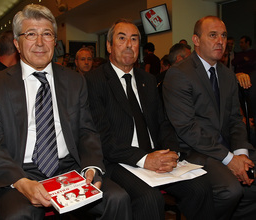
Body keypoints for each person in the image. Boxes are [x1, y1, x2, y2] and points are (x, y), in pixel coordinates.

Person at [0, 4, 131, 220]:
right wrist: (21, 183)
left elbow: (87, 132)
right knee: (18, 215)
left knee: (117, 198)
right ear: (17, 44)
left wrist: (91, 166)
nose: (40, 42)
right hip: (21, 171)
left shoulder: (74, 81)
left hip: (70, 168)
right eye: (31, 34)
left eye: (47, 34)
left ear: (55, 42)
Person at [85, 18, 215, 220]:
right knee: (150, 199)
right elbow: (102, 139)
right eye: (122, 38)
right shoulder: (94, 81)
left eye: (134, 39)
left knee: (201, 187)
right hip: (119, 160)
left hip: (156, 157)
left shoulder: (147, 79)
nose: (129, 45)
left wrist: (172, 153)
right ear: (109, 45)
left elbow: (163, 122)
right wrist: (145, 159)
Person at [163, 16, 256, 220]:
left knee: (250, 183)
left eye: (223, 35)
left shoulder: (227, 74)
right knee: (230, 190)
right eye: (213, 35)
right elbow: (187, 129)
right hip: (194, 152)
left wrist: (241, 153)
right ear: (196, 40)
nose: (220, 41)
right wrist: (231, 159)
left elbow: (234, 119)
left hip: (226, 147)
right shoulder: (179, 74)